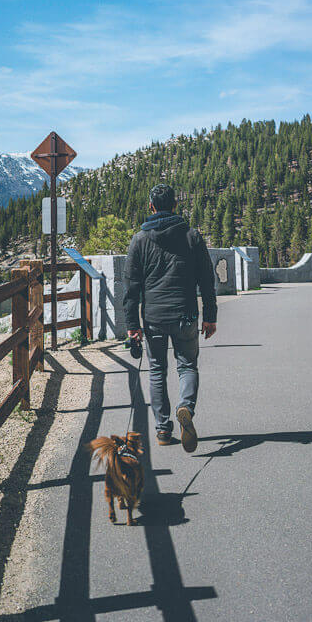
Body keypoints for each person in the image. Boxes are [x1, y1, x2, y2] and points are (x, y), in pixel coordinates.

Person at [123, 183, 217, 452]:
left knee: (156, 371)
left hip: (154, 317)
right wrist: (210, 317)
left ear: (150, 207)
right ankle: (185, 407)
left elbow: (131, 287)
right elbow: (206, 280)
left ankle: (163, 429)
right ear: (175, 205)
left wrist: (132, 326)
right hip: (186, 313)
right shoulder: (191, 236)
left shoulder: (140, 240)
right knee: (187, 366)